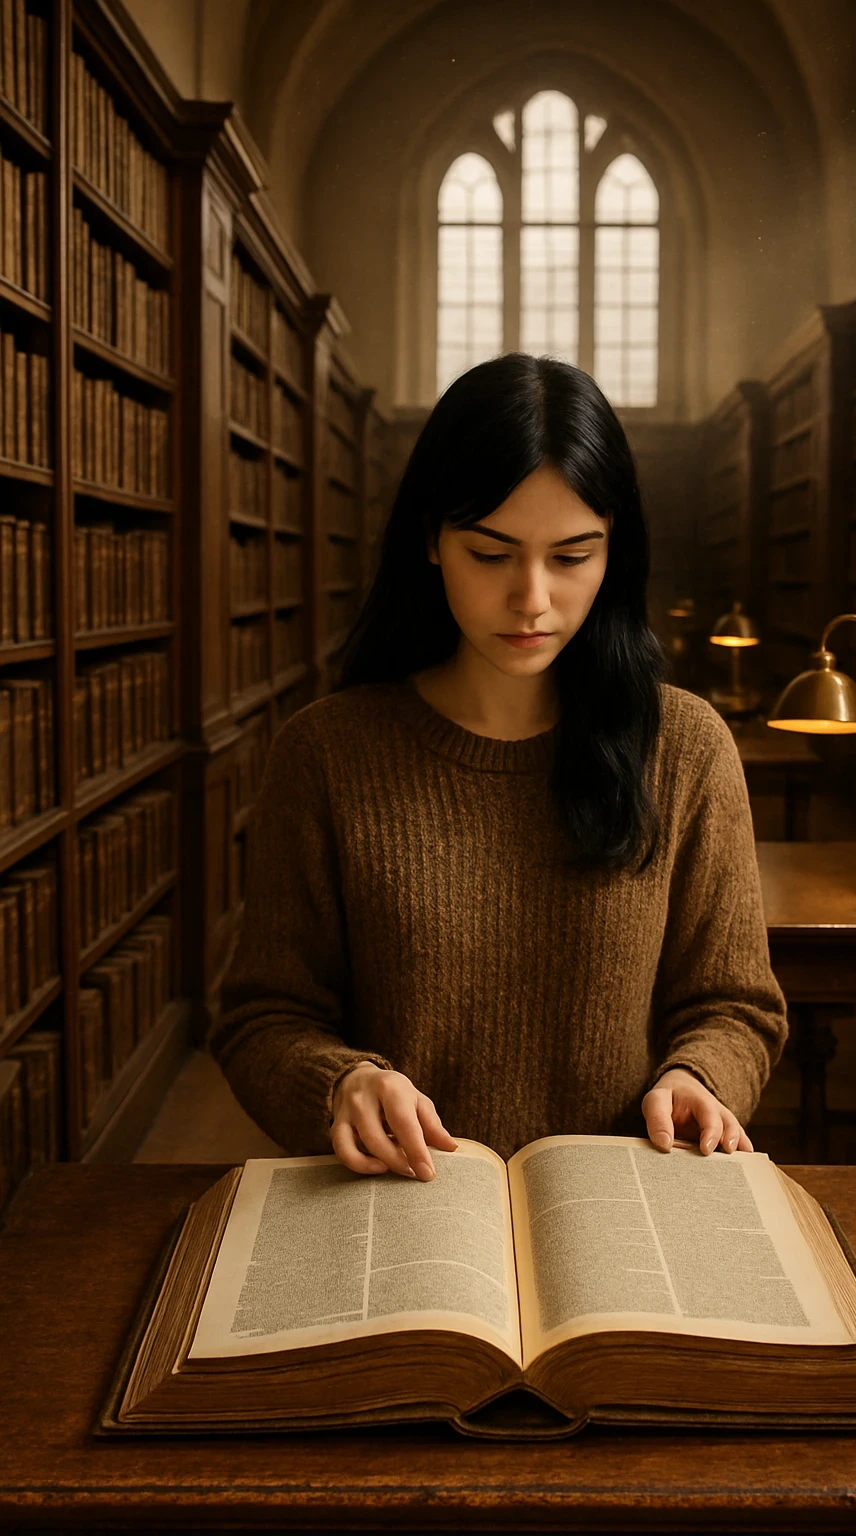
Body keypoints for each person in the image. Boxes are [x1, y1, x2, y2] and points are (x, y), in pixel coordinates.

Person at [210, 352, 788, 1182]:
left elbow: (735, 1004)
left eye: (571, 555)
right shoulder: (327, 753)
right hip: (400, 1206)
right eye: (491, 554)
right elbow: (262, 1016)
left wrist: (699, 1074)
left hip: (618, 1202)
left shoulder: (687, 748)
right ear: (432, 542)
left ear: (613, 552)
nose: (532, 599)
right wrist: (340, 1083)